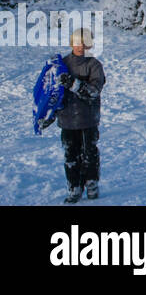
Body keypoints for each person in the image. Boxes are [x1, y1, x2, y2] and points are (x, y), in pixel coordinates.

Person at [57, 28, 106, 204]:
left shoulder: (94, 65)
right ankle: (74, 187)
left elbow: (93, 91)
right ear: (72, 43)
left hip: (88, 119)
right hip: (67, 120)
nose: (80, 46)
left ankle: (92, 184)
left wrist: (74, 84)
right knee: (70, 156)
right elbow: (51, 93)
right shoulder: (61, 64)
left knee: (89, 154)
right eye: (77, 42)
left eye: (84, 42)